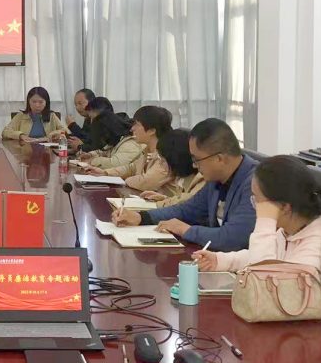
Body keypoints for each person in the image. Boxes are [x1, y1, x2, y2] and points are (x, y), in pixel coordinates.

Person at [193, 156, 321, 356]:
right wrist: (220, 260)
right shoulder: (292, 229)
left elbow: (267, 289)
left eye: (258, 201)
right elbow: (267, 260)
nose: (255, 207)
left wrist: (265, 221)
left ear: (284, 207)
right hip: (307, 336)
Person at [113, 118, 257, 252]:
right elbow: (186, 210)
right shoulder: (216, 180)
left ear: (220, 159)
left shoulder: (255, 184)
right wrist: (141, 217)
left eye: (197, 159)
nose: (194, 165)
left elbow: (233, 238)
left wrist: (186, 230)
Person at [95, 105, 173, 192]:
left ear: (151, 131)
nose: (132, 128)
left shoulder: (166, 155)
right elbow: (132, 168)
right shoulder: (148, 150)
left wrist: (126, 180)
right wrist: (105, 173)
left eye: (137, 124)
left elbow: (145, 183)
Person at [139, 128, 206, 208]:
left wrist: (159, 204)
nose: (160, 163)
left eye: (163, 160)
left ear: (175, 159)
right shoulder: (182, 179)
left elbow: (186, 203)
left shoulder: (201, 179)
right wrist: (165, 198)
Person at [79, 101, 144, 169]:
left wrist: (93, 161)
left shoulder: (130, 143)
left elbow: (114, 163)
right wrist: (91, 154)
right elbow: (108, 151)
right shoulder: (118, 139)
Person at [2, 86, 68, 141]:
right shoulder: (21, 116)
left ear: (46, 103)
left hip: (46, 150)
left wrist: (53, 133)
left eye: (41, 102)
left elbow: (65, 130)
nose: (37, 105)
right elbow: (5, 132)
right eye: (33, 101)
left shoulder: (51, 116)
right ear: (29, 102)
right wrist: (21, 135)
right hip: (26, 150)